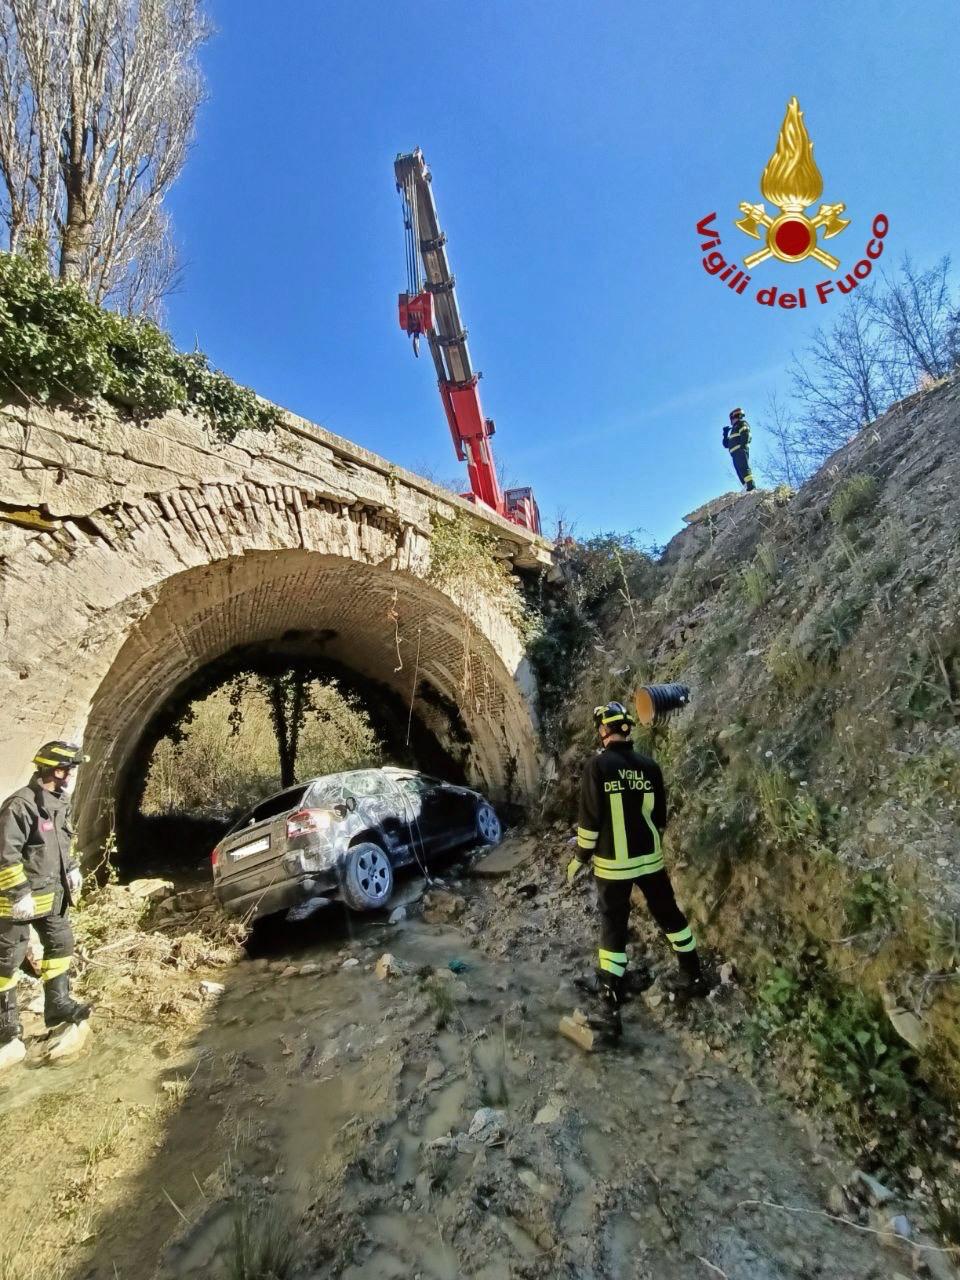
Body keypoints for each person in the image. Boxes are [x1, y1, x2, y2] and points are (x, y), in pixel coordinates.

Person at [567, 703, 707, 1042]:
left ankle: (609, 1006)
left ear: (603, 731)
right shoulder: (650, 766)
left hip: (614, 866)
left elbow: (590, 822)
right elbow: (659, 819)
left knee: (613, 927)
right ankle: (693, 974)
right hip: (650, 860)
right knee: (669, 914)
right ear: (628, 729)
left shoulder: (597, 766)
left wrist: (579, 859)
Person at [0, 741, 91, 1048]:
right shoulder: (20, 806)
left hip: (52, 896)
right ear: (56, 769)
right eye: (69, 770)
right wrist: (19, 892)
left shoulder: (58, 802)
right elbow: (5, 855)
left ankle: (58, 1006)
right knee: (7, 960)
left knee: (61, 943)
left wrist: (74, 867)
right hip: (18, 903)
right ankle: (6, 1027)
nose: (71, 776)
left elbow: (62, 844)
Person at [723, 407, 756, 491]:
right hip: (734, 454)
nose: (731, 421)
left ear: (734, 417)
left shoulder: (742, 424)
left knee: (744, 469)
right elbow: (726, 445)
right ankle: (746, 487)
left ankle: (751, 487)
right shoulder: (733, 429)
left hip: (740, 451)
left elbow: (746, 434)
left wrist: (743, 446)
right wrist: (725, 434)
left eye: (731, 419)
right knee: (739, 472)